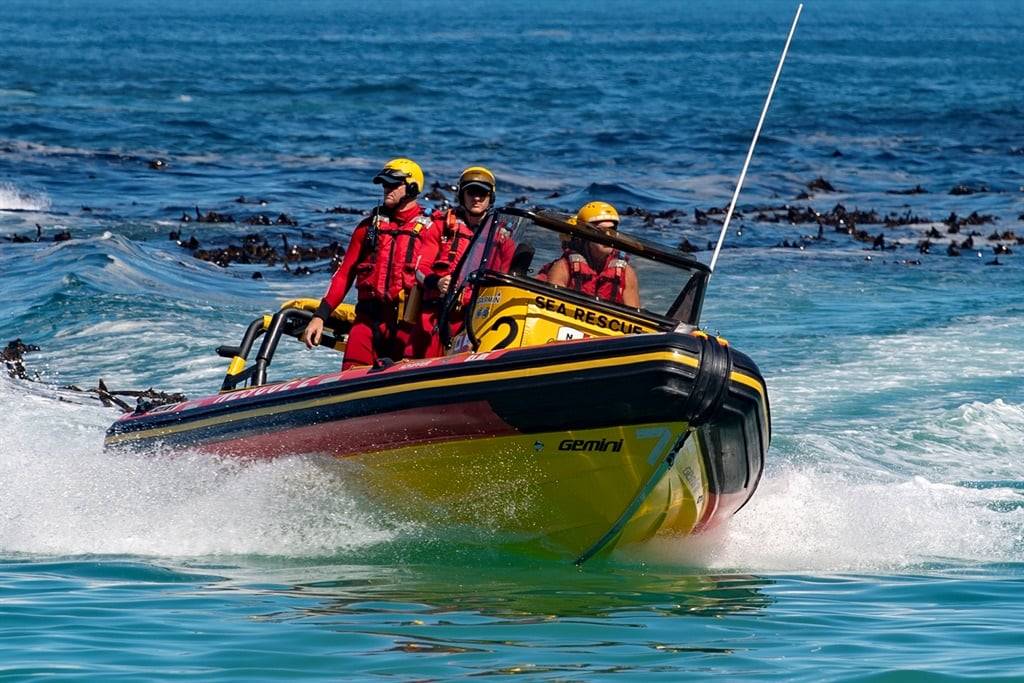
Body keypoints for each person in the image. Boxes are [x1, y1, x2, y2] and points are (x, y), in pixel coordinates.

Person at [302, 158, 432, 369]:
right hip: (367, 322)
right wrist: (320, 316)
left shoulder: (432, 228)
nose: (386, 189)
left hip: (409, 327)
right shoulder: (368, 227)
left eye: (393, 184)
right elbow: (344, 274)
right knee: (349, 380)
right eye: (385, 184)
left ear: (412, 187)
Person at [407, 166, 499, 358]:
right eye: (471, 192)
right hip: (434, 315)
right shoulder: (441, 226)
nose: (477, 198)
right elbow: (419, 268)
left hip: (473, 320)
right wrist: (437, 282)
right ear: (462, 195)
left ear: (491, 197)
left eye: (483, 193)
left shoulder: (500, 237)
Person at [543, 201, 640, 307]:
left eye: (612, 230)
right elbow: (550, 307)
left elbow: (635, 317)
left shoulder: (626, 274)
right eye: (601, 231)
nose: (608, 236)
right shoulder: (563, 268)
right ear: (586, 234)